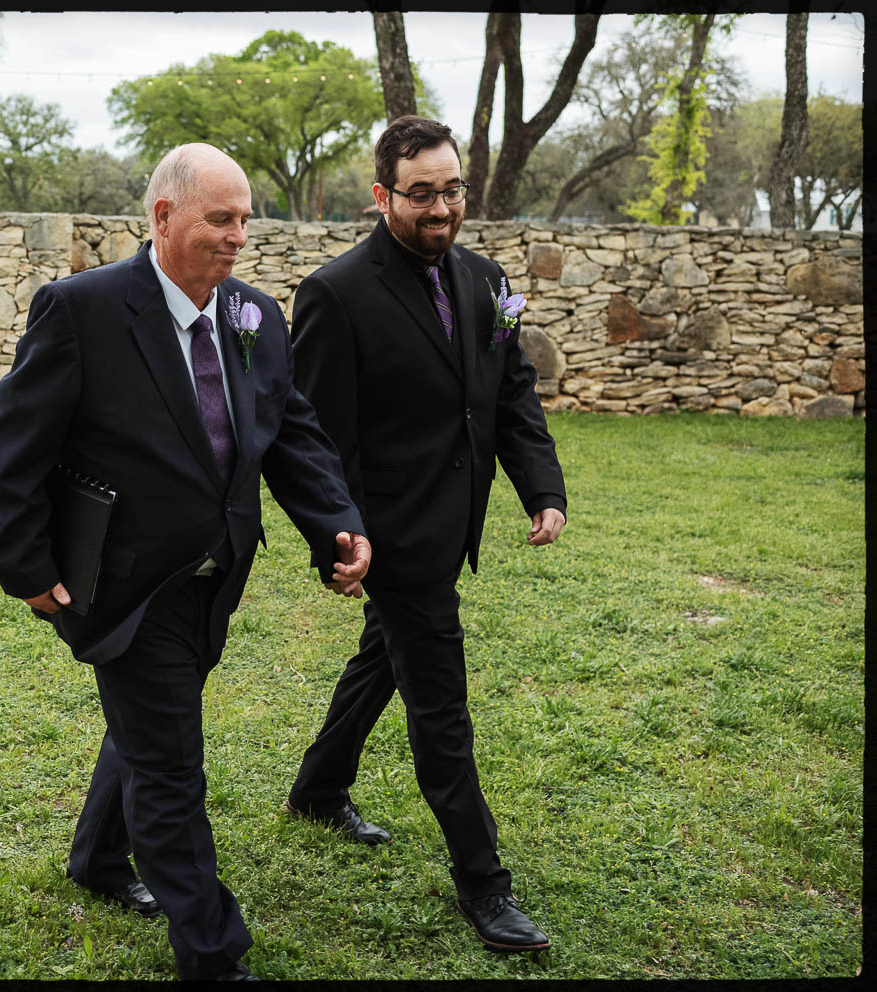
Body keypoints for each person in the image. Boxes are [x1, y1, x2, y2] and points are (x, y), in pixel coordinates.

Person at [0, 143, 372, 982]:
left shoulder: (254, 317)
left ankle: (95, 859)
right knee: (170, 770)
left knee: (150, 726)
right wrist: (23, 564)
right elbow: (15, 446)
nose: (237, 237)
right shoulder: (80, 310)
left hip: (216, 577)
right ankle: (213, 954)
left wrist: (335, 521)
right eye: (218, 219)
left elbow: (289, 430)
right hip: (121, 581)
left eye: (243, 219)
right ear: (162, 217)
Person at [285, 115, 567, 953]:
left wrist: (540, 488)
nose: (442, 207)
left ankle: (317, 787)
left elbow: (510, 391)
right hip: (391, 538)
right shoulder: (336, 293)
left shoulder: (491, 279)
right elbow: (314, 435)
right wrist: (340, 538)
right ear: (382, 197)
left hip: (457, 523)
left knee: (386, 656)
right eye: (422, 194)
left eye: (453, 190)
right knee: (440, 705)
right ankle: (484, 884)